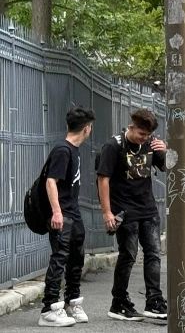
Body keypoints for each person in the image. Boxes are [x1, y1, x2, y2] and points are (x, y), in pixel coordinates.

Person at [97, 109, 168, 321]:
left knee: (154, 254)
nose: (144, 138)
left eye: (147, 135)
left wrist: (166, 149)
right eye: (140, 134)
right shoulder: (114, 146)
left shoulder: (151, 143)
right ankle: (118, 302)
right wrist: (107, 212)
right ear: (131, 127)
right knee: (128, 255)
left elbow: (168, 167)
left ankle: (153, 301)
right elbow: (103, 179)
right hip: (124, 210)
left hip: (147, 207)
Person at [39, 106, 96, 328]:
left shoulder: (73, 149)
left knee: (76, 257)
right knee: (60, 257)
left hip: (73, 212)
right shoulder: (62, 150)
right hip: (62, 212)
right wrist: (56, 212)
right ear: (87, 129)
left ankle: (72, 301)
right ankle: (49, 309)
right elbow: (51, 181)